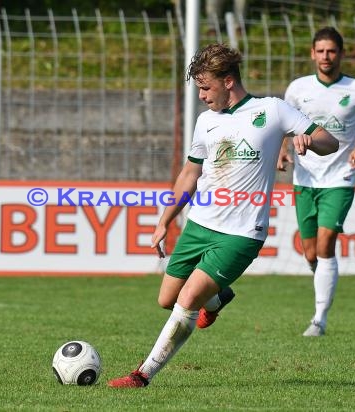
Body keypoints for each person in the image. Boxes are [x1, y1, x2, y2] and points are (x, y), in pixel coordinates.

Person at [108, 43, 339, 388]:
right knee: (166, 299)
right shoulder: (206, 122)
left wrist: (307, 139)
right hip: (200, 224)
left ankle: (142, 376)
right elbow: (189, 174)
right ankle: (218, 298)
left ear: (228, 81)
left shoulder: (273, 110)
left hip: (242, 232)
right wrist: (164, 221)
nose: (201, 96)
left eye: (205, 87)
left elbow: (329, 142)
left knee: (186, 302)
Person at [278, 27, 355, 337]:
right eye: (321, 51)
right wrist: (283, 152)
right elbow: (287, 126)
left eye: (332, 51)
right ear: (313, 54)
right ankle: (322, 279)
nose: (326, 56)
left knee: (325, 245)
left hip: (340, 177)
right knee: (310, 252)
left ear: (341, 54)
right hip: (305, 178)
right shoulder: (298, 89)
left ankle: (319, 320)